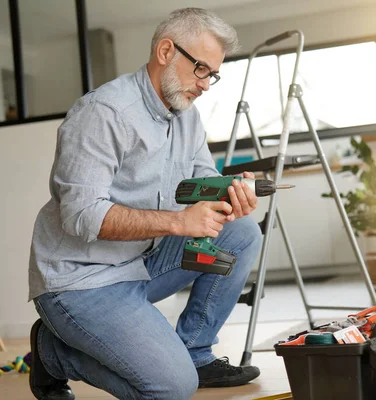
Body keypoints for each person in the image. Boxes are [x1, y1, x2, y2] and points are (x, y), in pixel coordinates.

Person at [27, 8, 263, 400]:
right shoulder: (104, 113)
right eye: (201, 69)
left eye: (213, 74)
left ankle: (195, 353)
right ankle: (53, 354)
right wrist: (177, 223)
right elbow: (81, 214)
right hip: (82, 282)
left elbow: (203, 185)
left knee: (241, 232)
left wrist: (230, 193)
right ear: (166, 51)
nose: (206, 85)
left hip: (141, 263)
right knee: (172, 388)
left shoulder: (187, 117)